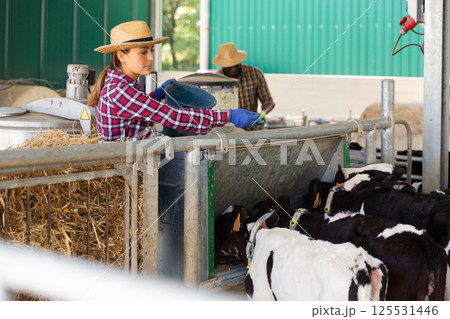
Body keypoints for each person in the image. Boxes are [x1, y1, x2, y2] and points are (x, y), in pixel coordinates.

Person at [88, 21, 259, 142]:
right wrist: (229, 116)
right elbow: (172, 116)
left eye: (151, 50)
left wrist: (158, 93)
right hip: (124, 169)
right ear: (121, 56)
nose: (151, 57)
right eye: (143, 52)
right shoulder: (120, 90)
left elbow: (138, 113)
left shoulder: (124, 84)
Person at [212, 43, 275, 129]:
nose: (233, 69)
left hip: (250, 128)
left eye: (236, 64)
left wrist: (263, 113)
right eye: (229, 66)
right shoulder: (215, 81)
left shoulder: (255, 74)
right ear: (223, 65)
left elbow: (268, 101)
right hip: (226, 130)